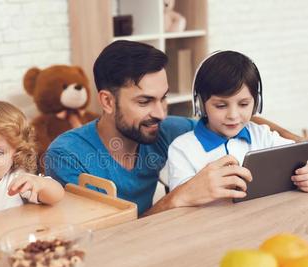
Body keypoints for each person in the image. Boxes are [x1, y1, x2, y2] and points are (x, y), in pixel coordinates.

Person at [44, 40, 304, 216]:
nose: (160, 113)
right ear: (108, 101)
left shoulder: (163, 129)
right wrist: (178, 197)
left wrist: (297, 145)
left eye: (163, 98)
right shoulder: (68, 155)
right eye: (145, 101)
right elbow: (109, 238)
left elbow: (230, 122)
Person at [167, 50, 308, 193]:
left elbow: (299, 156)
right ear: (201, 105)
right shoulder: (181, 149)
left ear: (256, 103)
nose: (233, 116)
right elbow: (180, 204)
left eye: (243, 104)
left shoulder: (263, 135)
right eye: (221, 106)